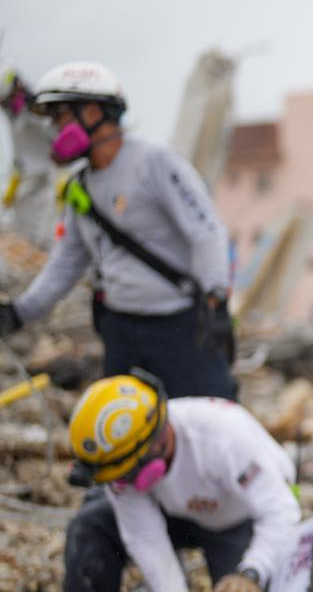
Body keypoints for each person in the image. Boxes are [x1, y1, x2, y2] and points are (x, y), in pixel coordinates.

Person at [44, 369, 300, 592]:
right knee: (89, 529)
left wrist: (252, 572)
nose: (123, 484)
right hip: (174, 511)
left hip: (236, 516)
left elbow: (282, 513)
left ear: (160, 439)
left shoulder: (223, 436)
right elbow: (144, 536)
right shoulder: (122, 462)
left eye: (128, 475)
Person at [0, 61, 236, 399]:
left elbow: (206, 231)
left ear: (94, 112)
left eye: (61, 116)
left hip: (180, 329)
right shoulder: (80, 186)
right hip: (120, 332)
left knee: (197, 421)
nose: (53, 129)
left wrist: (216, 299)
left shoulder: (155, 163)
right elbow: (65, 265)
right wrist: (20, 312)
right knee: (126, 435)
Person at [0, 63, 61, 250]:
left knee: (51, 229)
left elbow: (60, 144)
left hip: (53, 176)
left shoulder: (41, 111)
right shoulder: (14, 116)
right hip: (29, 177)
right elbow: (20, 153)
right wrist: (15, 179)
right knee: (19, 222)